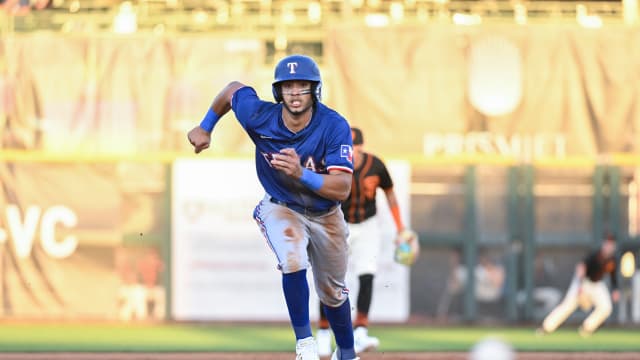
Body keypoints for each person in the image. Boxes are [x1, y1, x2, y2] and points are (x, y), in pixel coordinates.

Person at [187, 54, 359, 360]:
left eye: (302, 85)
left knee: (333, 292)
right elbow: (233, 89)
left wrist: (301, 173)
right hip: (282, 205)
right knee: (292, 260)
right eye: (287, 86)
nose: (295, 92)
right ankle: (305, 344)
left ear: (314, 89)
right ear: (278, 91)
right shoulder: (260, 115)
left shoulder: (333, 125)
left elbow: (342, 188)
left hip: (326, 213)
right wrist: (205, 126)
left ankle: (346, 353)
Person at [316, 127, 408, 356]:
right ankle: (324, 333)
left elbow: (390, 193)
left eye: (357, 148)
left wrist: (401, 228)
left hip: (368, 225)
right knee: (331, 280)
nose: (353, 153)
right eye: (350, 148)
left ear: (362, 148)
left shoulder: (376, 165)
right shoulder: (331, 164)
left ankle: (360, 332)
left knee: (367, 274)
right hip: (340, 226)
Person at [536, 233, 620, 337]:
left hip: (597, 284)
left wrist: (615, 289)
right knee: (567, 306)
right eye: (607, 244)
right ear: (603, 244)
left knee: (606, 307)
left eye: (611, 244)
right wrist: (580, 285)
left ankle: (587, 328)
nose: (609, 246)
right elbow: (581, 268)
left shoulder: (613, 259)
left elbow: (613, 276)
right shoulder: (595, 255)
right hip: (583, 281)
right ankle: (546, 327)